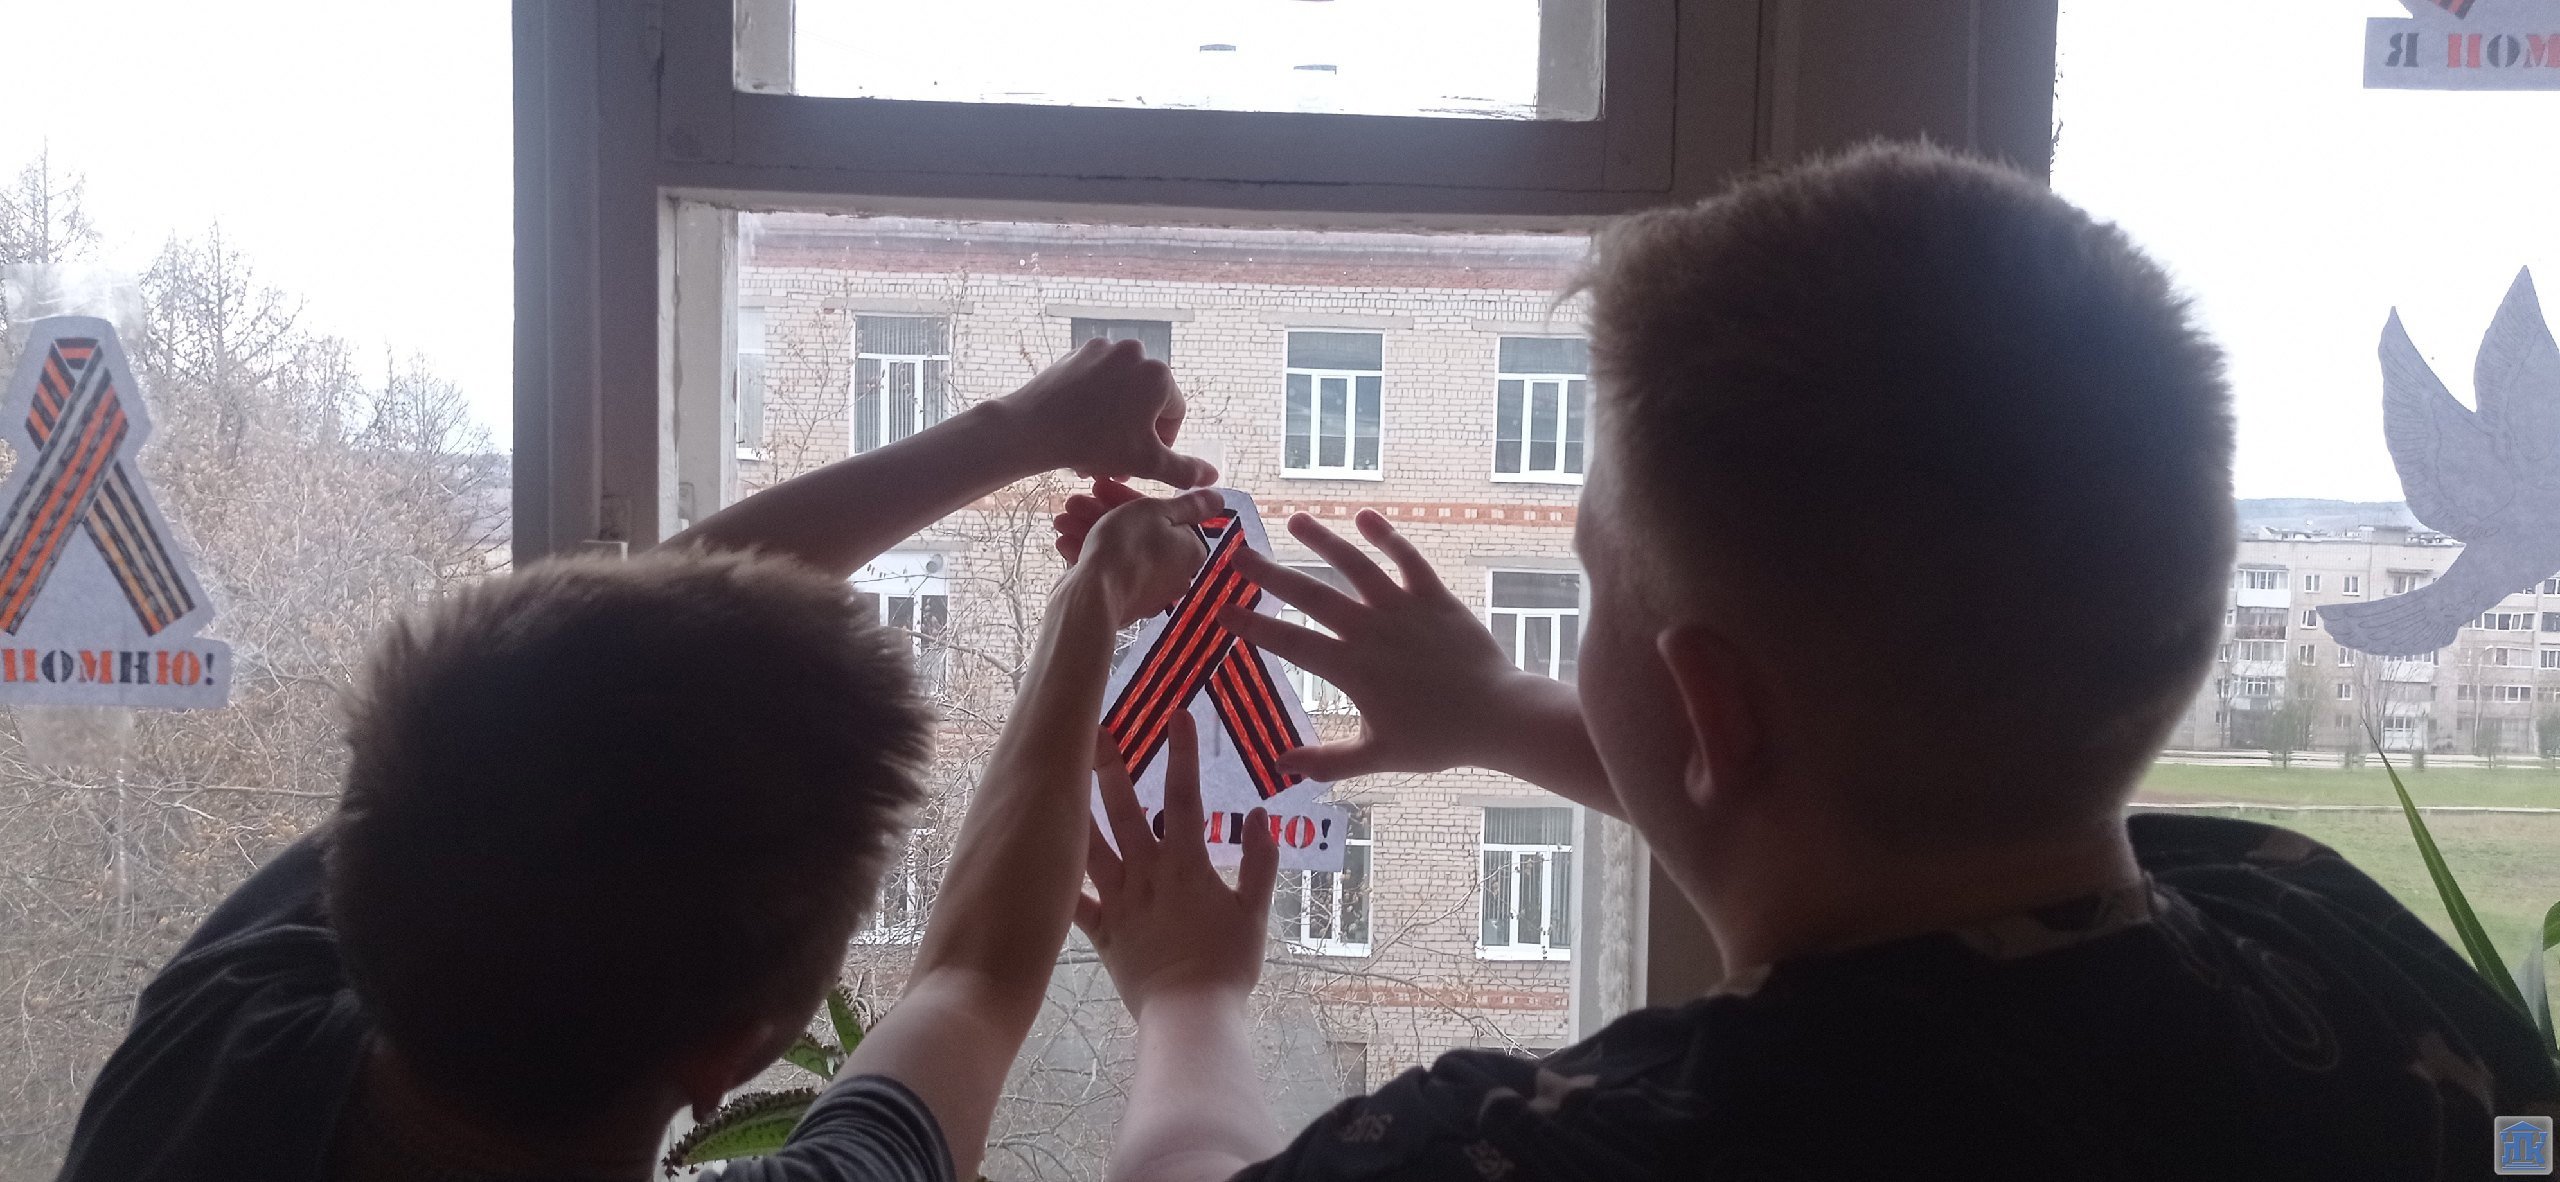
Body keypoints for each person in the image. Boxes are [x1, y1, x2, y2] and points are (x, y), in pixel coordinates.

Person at [1061, 143, 2560, 1180]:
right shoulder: (2316, 929)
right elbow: (1883, 814)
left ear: (1708, 702)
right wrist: (1503, 710)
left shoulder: (1553, 1147)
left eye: (1588, 583)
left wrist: (1188, 993)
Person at [58, 338, 1221, 1182]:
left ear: (360, 882)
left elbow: (579, 683)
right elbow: (970, 985)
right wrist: (1092, 598)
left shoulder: (203, 1062)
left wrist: (1015, 432)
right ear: (727, 1057)